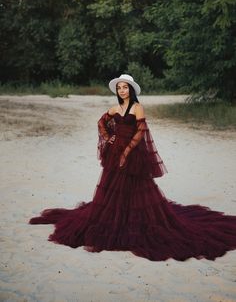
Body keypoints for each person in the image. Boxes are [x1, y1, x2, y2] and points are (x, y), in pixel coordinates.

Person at [29, 74, 236, 261]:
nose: (122, 90)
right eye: (119, 88)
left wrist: (126, 152)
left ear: (131, 90)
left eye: (125, 87)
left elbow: (140, 131)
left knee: (138, 188)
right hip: (115, 150)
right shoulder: (115, 109)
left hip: (133, 153)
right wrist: (109, 138)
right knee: (112, 185)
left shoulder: (137, 108)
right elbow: (101, 122)